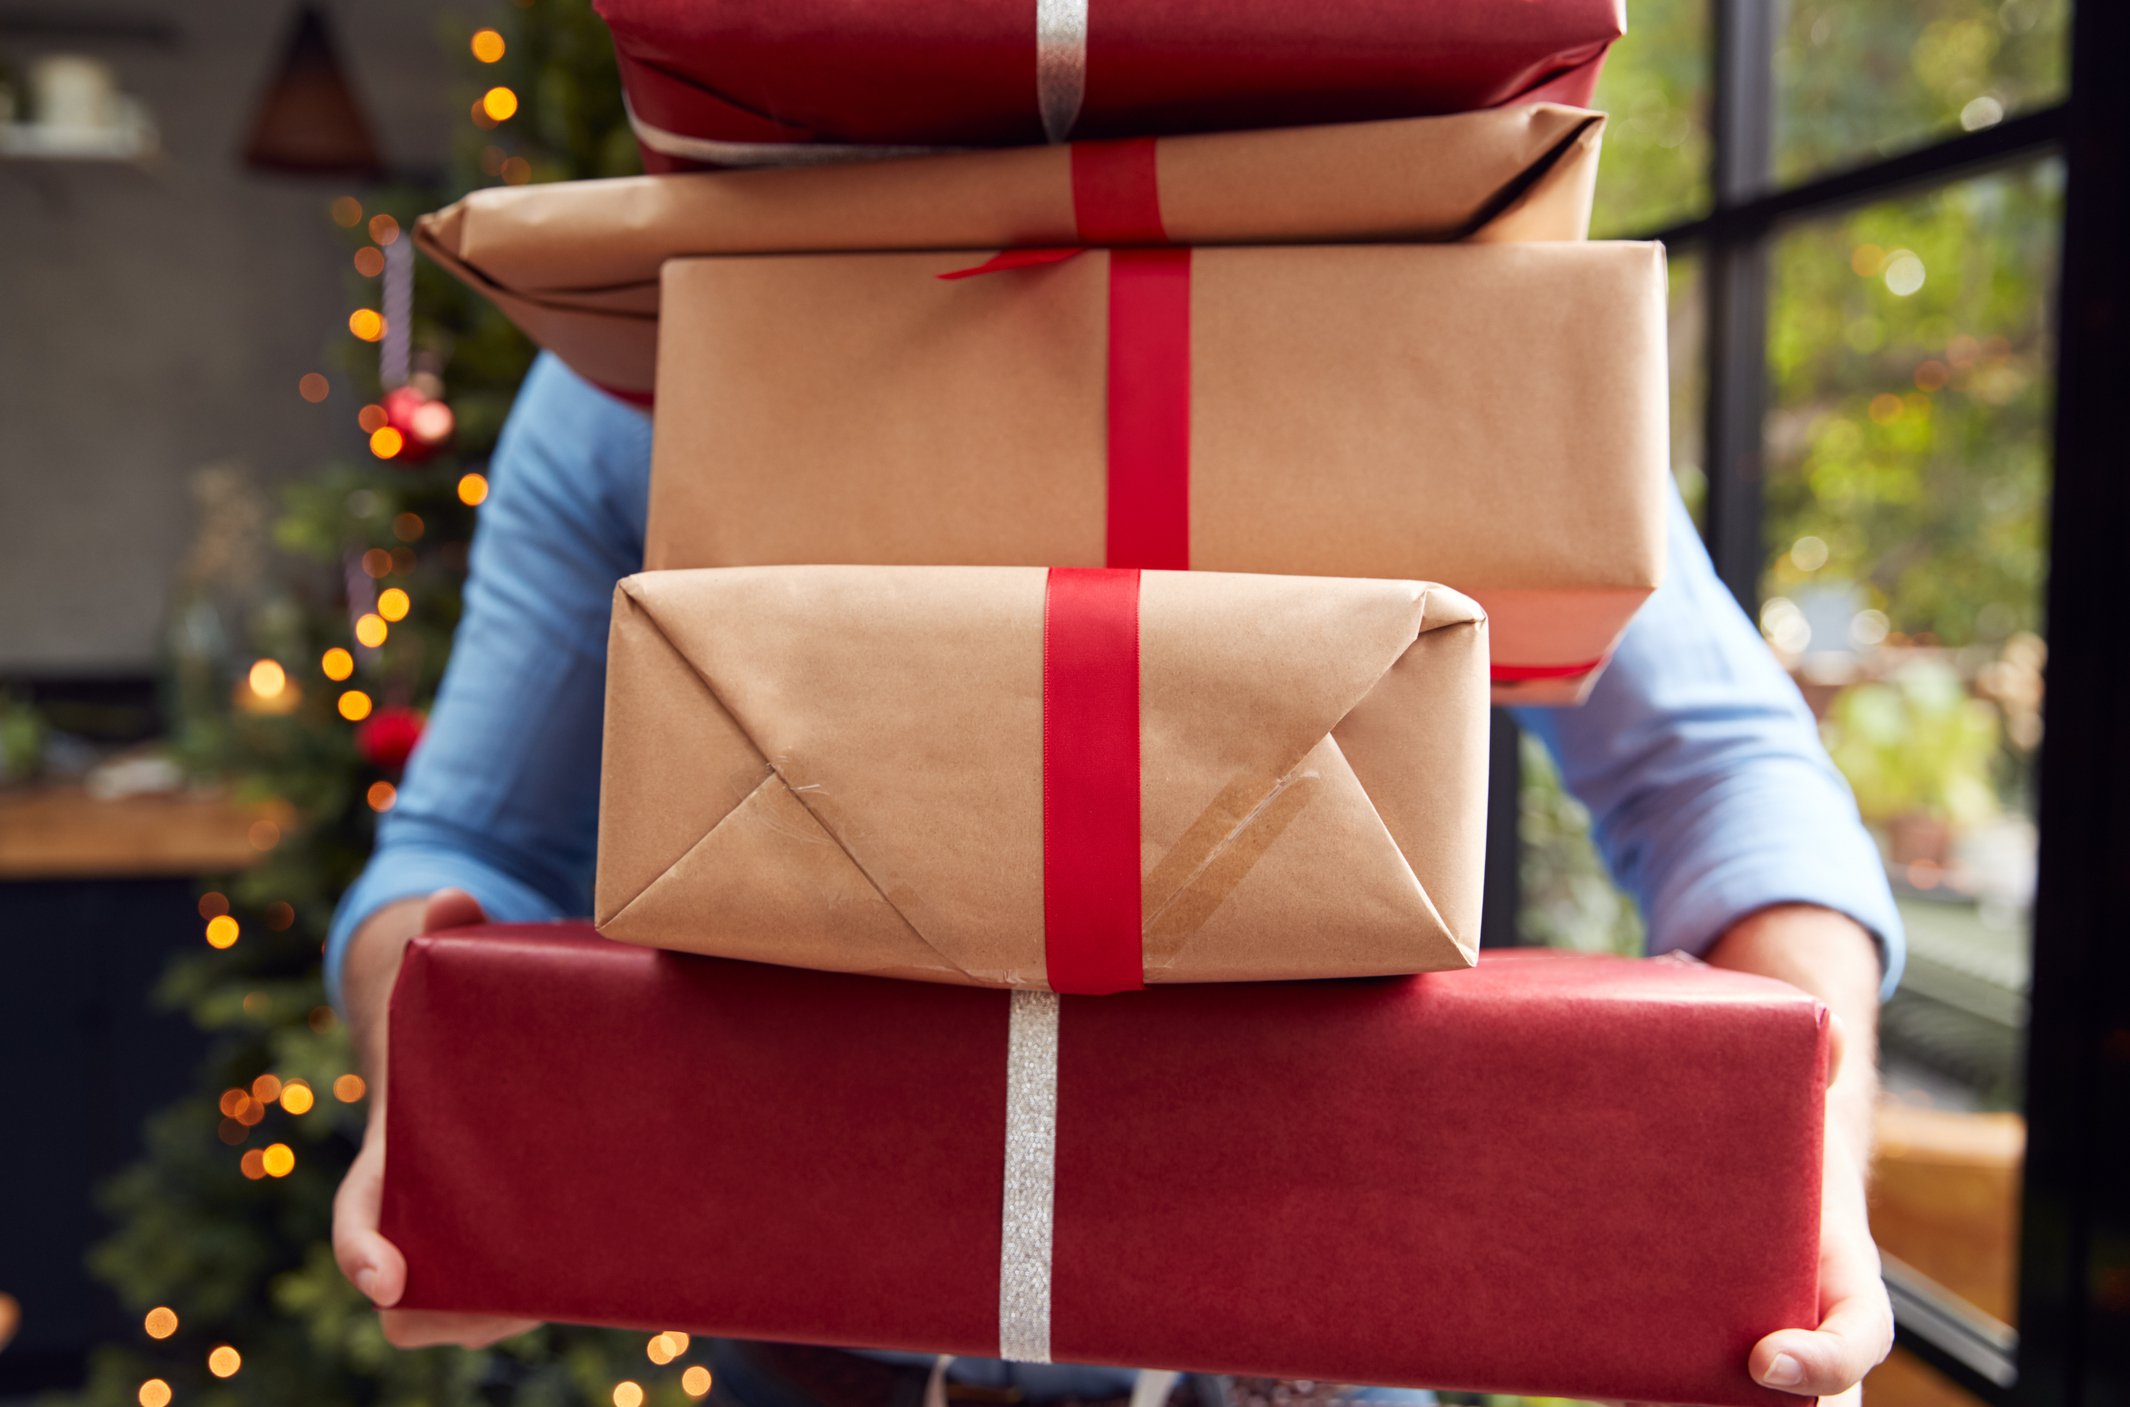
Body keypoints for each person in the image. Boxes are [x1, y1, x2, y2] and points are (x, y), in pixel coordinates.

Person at [328, 354, 1903, 1406]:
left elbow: (1718, 777)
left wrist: (1806, 1161)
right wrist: (441, 1109)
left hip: (1333, 1351)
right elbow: (469, 846)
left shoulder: (1427, 314)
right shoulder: (650, 354)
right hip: (828, 1358)